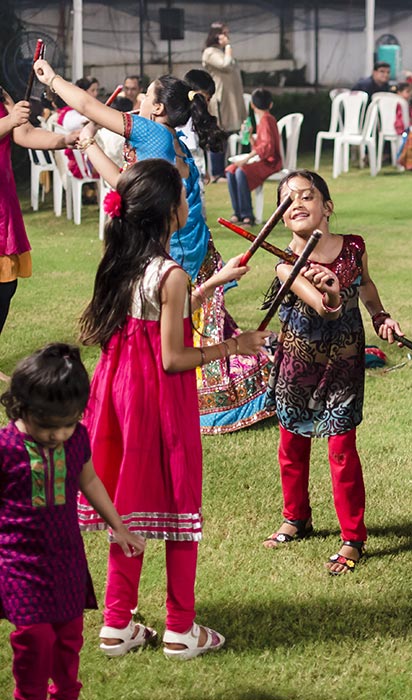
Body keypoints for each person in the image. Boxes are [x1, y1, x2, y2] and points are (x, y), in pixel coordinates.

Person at [76, 159, 270, 659]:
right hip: (157, 400)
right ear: (166, 212)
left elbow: (151, 318)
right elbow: (173, 357)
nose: (189, 203)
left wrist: (213, 284)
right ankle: (181, 629)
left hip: (117, 397)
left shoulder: (121, 260)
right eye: (183, 196)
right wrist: (237, 343)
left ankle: (117, 625)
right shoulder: (173, 274)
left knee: (131, 505)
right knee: (179, 499)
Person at [34, 59, 276, 435]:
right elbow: (125, 187)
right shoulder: (174, 142)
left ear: (158, 109)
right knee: (179, 324)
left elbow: (85, 105)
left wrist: (51, 79)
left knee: (158, 330)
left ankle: (177, 395)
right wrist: (90, 145)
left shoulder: (151, 132)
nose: (139, 99)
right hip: (189, 243)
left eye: (145, 95)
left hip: (169, 249)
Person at [261, 171, 402, 575]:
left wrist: (381, 316)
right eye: (288, 201)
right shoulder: (286, 265)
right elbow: (326, 308)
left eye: (307, 195)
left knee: (341, 449)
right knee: (292, 444)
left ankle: (353, 537)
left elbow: (367, 285)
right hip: (298, 364)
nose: (298, 204)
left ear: (327, 206)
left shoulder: (354, 246)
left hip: (343, 363)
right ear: (281, 217)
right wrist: (333, 294)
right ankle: (295, 517)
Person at [1, 344, 146, 699]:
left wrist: (119, 525)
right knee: (35, 636)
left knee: (68, 636)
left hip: (65, 556)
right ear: (23, 408)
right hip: (18, 560)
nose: (58, 435)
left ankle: (66, 691)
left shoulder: (76, 439)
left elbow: (90, 480)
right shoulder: (5, 447)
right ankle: (30, 694)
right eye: (48, 427)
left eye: (67, 425)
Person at [0, 89, 79, 339]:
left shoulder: (1, 96)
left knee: (5, 286)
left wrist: (63, 140)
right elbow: (12, 123)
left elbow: (25, 133)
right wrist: (10, 120)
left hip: (3, 203)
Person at [225, 88, 281, 224]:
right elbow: (260, 146)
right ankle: (237, 213)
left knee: (240, 172)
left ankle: (247, 215)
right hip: (264, 160)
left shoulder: (267, 120)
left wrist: (246, 159)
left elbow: (266, 147)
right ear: (271, 104)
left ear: (252, 105)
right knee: (230, 170)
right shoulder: (263, 121)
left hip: (271, 163)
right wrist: (250, 136)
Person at [202, 21, 245, 180]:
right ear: (216, 35)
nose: (227, 36)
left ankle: (223, 170)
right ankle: (216, 172)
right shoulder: (210, 52)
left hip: (230, 98)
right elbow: (226, 65)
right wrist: (228, 47)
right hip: (220, 99)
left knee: (225, 134)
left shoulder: (220, 51)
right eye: (224, 33)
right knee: (217, 134)